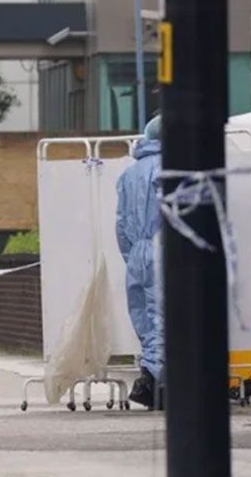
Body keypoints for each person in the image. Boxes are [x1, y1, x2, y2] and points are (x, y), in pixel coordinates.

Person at [115, 115, 165, 409]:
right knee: (165, 318)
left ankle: (151, 378)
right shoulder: (171, 170)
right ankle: (157, 383)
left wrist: (132, 255)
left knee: (145, 320)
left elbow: (121, 224)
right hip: (166, 248)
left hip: (139, 254)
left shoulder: (129, 174)